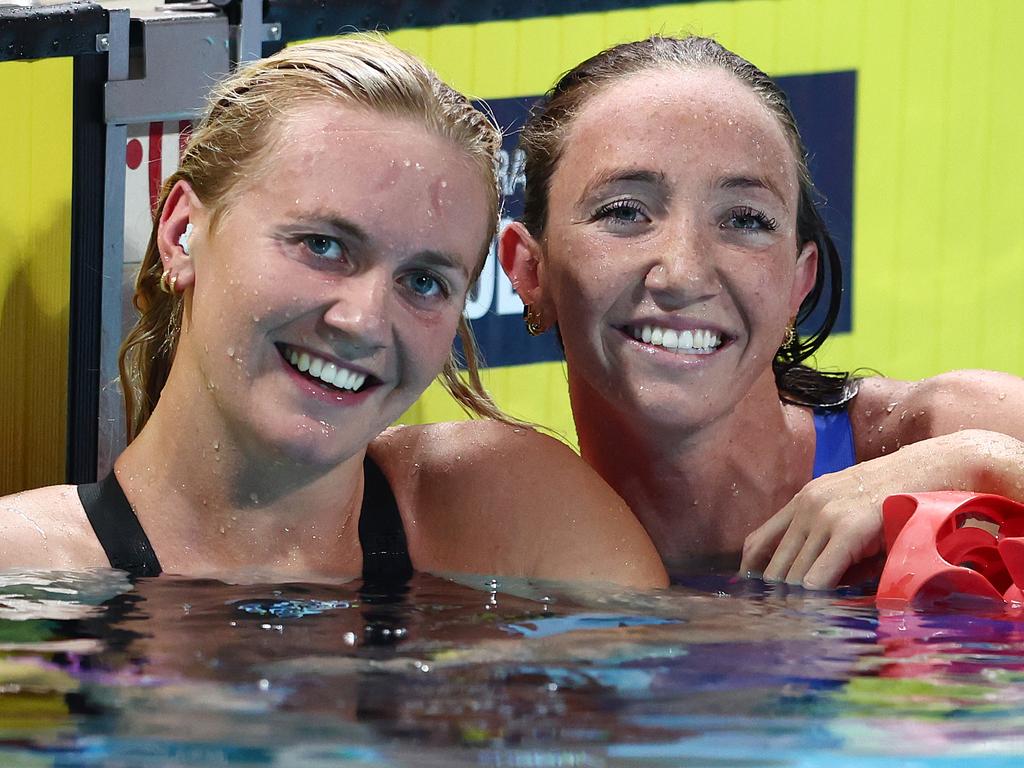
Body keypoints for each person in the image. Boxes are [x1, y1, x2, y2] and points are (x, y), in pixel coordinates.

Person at [0, 36, 666, 589]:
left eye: (424, 282)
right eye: (323, 246)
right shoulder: (26, 574)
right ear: (181, 235)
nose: (365, 321)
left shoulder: (514, 519)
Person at [498, 34, 1024, 588]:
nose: (685, 273)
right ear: (531, 272)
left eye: (744, 220)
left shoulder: (938, 432)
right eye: (625, 212)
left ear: (799, 282)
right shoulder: (484, 524)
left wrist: (978, 463)